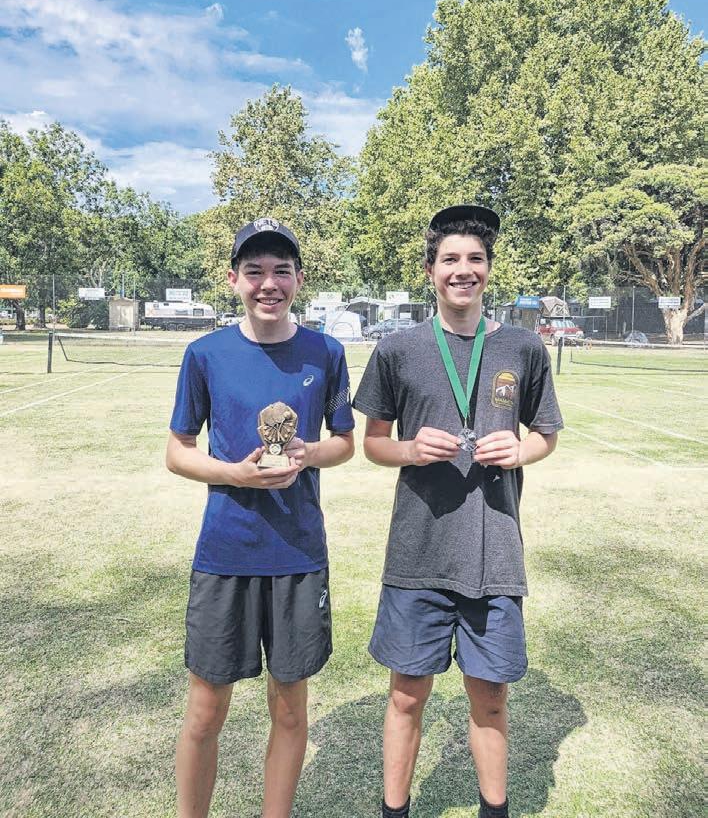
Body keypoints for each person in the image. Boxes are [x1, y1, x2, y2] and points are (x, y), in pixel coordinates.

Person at [353, 205, 563, 818]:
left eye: (475, 259)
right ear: (430, 271)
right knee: (406, 695)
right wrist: (411, 449)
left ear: (489, 269)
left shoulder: (522, 346)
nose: (462, 270)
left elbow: (546, 434)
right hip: (418, 552)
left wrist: (522, 449)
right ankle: (395, 811)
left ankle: (494, 810)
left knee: (490, 698)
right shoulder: (398, 349)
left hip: (493, 554)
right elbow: (373, 443)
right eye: (450, 259)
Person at [166, 217, 355, 818]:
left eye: (281, 271)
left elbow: (344, 443)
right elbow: (177, 451)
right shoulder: (205, 354)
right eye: (254, 271)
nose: (268, 283)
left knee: (290, 710)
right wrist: (234, 474)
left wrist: (307, 454)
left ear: (298, 278)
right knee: (205, 712)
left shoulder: (326, 352)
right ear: (233, 279)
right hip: (226, 551)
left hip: (297, 553)